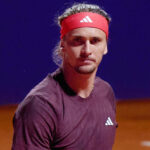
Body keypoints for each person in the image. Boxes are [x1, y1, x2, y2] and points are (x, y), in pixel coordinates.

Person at [12, 3, 117, 150]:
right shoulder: (41, 106)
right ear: (63, 45)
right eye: (77, 41)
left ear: (105, 46)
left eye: (95, 41)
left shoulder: (105, 93)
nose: (87, 50)